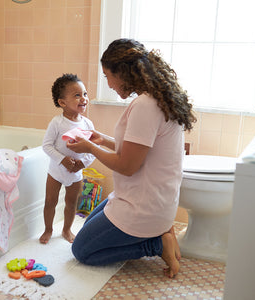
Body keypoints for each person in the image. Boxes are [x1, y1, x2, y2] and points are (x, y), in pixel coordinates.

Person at [66, 39, 196, 278]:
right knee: (87, 229)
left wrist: (88, 148)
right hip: (149, 200)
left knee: (82, 250)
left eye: (108, 76)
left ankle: (156, 244)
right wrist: (102, 140)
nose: (109, 84)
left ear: (123, 73)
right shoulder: (158, 98)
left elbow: (127, 166)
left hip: (143, 207)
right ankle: (158, 233)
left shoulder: (145, 106)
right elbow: (141, 150)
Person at [40, 73, 96, 244]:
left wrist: (83, 163)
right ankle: (48, 229)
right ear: (62, 102)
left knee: (71, 203)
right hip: (56, 171)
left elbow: (94, 150)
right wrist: (62, 159)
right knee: (50, 202)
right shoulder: (57, 123)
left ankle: (66, 229)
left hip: (76, 172)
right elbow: (46, 146)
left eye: (85, 94)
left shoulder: (87, 124)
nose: (83, 98)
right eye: (77, 95)